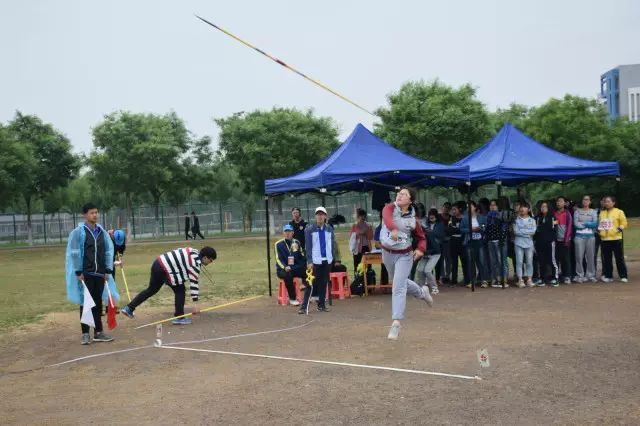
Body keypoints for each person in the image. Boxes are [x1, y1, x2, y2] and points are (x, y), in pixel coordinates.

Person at [379, 187, 431, 340]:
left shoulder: (413, 220)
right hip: (387, 253)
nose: (399, 195)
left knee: (398, 286)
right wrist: (393, 228)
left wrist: (421, 249)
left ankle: (396, 323)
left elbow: (422, 238)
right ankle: (422, 293)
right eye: (399, 193)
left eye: (404, 194)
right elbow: (387, 218)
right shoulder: (389, 208)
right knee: (399, 281)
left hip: (404, 255)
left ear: (410, 200)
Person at [65, 203, 118, 345]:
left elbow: (108, 251)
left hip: (100, 274)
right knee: (85, 303)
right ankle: (85, 334)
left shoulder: (102, 232)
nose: (95, 215)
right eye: (92, 213)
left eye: (96, 212)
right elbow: (74, 253)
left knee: (98, 303)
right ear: (85, 215)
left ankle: (98, 332)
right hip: (86, 274)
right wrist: (78, 271)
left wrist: (107, 270)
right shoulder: (78, 232)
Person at [120, 246, 217, 324]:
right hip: (165, 269)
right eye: (211, 260)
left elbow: (180, 253)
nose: (210, 263)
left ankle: (129, 308)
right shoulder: (195, 264)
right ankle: (179, 317)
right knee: (180, 290)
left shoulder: (194, 251)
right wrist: (195, 304)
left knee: (151, 290)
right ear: (205, 257)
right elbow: (194, 284)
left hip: (157, 263)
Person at [303, 207, 341, 314]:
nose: (320, 216)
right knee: (310, 283)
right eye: (318, 214)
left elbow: (333, 244)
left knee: (323, 283)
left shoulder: (329, 229)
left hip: (327, 260)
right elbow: (308, 246)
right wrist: (309, 261)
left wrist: (336, 258)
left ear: (325, 216)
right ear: (315, 216)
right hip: (315, 261)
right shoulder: (310, 229)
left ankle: (321, 305)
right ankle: (303, 306)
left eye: (322, 214)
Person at [598, 196, 628, 283]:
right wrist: (599, 231)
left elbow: (624, 222)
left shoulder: (619, 212)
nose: (606, 203)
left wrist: (619, 229)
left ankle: (623, 276)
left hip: (616, 238)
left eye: (608, 201)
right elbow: (600, 224)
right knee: (607, 259)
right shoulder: (602, 213)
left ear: (613, 203)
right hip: (605, 239)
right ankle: (608, 276)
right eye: (605, 202)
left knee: (619, 258)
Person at [275, 224, 306, 306]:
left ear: (293, 232)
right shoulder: (278, 244)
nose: (287, 233)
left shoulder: (297, 242)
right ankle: (292, 298)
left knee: (308, 270)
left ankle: (310, 295)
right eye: (286, 231)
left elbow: (302, 256)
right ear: (283, 233)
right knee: (288, 275)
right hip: (282, 269)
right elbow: (278, 259)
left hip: (294, 268)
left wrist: (302, 265)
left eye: (289, 231)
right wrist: (285, 267)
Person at [416, 209, 445, 294]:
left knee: (427, 270)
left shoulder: (429, 234)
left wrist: (425, 252)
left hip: (435, 253)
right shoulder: (417, 236)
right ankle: (421, 288)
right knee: (420, 270)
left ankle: (434, 288)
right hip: (426, 253)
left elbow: (436, 248)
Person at [460, 201, 488, 288]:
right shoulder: (465, 218)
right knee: (470, 262)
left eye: (470, 206)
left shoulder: (481, 217)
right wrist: (470, 229)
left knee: (481, 261)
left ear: (475, 207)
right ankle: (472, 280)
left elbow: (485, 226)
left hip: (479, 241)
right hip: (469, 242)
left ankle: (484, 280)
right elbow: (461, 229)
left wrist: (480, 228)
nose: (469, 208)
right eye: (467, 207)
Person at [574, 195, 598, 283]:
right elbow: (576, 224)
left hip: (590, 237)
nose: (585, 201)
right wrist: (589, 223)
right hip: (579, 237)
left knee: (590, 257)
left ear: (590, 202)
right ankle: (580, 275)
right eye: (584, 199)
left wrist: (584, 223)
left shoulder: (593, 211)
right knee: (579, 257)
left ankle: (590, 275)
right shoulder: (577, 211)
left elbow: (595, 224)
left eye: (587, 200)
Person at [513, 202, 537, 287]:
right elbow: (516, 231)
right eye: (521, 207)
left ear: (529, 209)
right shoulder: (516, 220)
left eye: (525, 207)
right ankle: (520, 280)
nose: (522, 209)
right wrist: (527, 233)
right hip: (518, 243)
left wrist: (522, 231)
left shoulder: (533, 220)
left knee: (529, 262)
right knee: (519, 262)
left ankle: (529, 279)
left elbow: (533, 231)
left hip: (529, 244)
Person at [534, 201, 557, 287]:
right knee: (541, 261)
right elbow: (535, 231)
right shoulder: (536, 218)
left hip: (550, 243)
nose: (543, 208)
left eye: (545, 206)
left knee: (552, 260)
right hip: (539, 243)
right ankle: (542, 278)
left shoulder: (553, 218)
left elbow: (555, 230)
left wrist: (551, 240)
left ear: (548, 208)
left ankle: (555, 278)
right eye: (542, 207)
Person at [105, 229, 126, 315]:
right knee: (102, 287)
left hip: (112, 265)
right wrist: (117, 263)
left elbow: (121, 251)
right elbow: (107, 260)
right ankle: (98, 309)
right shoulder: (106, 239)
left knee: (111, 285)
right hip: (104, 263)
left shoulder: (122, 239)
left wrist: (119, 258)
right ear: (112, 236)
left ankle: (110, 308)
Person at [486, 199, 506, 288]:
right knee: (493, 261)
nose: (492, 207)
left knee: (501, 260)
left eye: (494, 205)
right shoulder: (488, 216)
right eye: (491, 205)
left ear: (498, 206)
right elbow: (486, 228)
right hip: (491, 240)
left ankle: (504, 278)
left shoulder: (501, 215)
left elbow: (504, 228)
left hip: (500, 240)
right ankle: (496, 278)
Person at [447, 202, 467, 287]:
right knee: (453, 262)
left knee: (464, 262)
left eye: (455, 209)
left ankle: (467, 280)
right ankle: (454, 280)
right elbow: (450, 230)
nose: (453, 211)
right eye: (452, 210)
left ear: (460, 209)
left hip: (462, 242)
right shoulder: (451, 218)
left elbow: (463, 230)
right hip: (453, 242)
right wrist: (457, 229)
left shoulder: (465, 219)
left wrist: (458, 229)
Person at [554, 197, 573, 284]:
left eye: (560, 201)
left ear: (565, 203)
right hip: (556, 240)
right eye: (557, 201)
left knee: (566, 259)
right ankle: (557, 276)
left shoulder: (567, 213)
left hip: (565, 240)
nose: (558, 203)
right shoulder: (554, 214)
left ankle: (567, 276)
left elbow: (569, 227)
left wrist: (566, 239)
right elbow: (553, 226)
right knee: (556, 259)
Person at [349, 208, 374, 273]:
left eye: (363, 216)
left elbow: (371, 237)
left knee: (368, 265)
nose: (362, 217)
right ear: (358, 216)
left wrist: (366, 232)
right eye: (360, 216)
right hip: (357, 248)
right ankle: (357, 280)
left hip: (367, 247)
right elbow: (352, 236)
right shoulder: (354, 226)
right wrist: (360, 233)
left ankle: (368, 279)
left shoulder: (368, 225)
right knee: (357, 265)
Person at [437, 202, 453, 285]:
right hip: (440, 240)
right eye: (445, 207)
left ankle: (447, 276)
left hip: (448, 240)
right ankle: (441, 276)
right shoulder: (438, 217)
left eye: (448, 208)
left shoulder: (451, 218)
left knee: (448, 259)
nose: (446, 209)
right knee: (441, 258)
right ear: (442, 207)